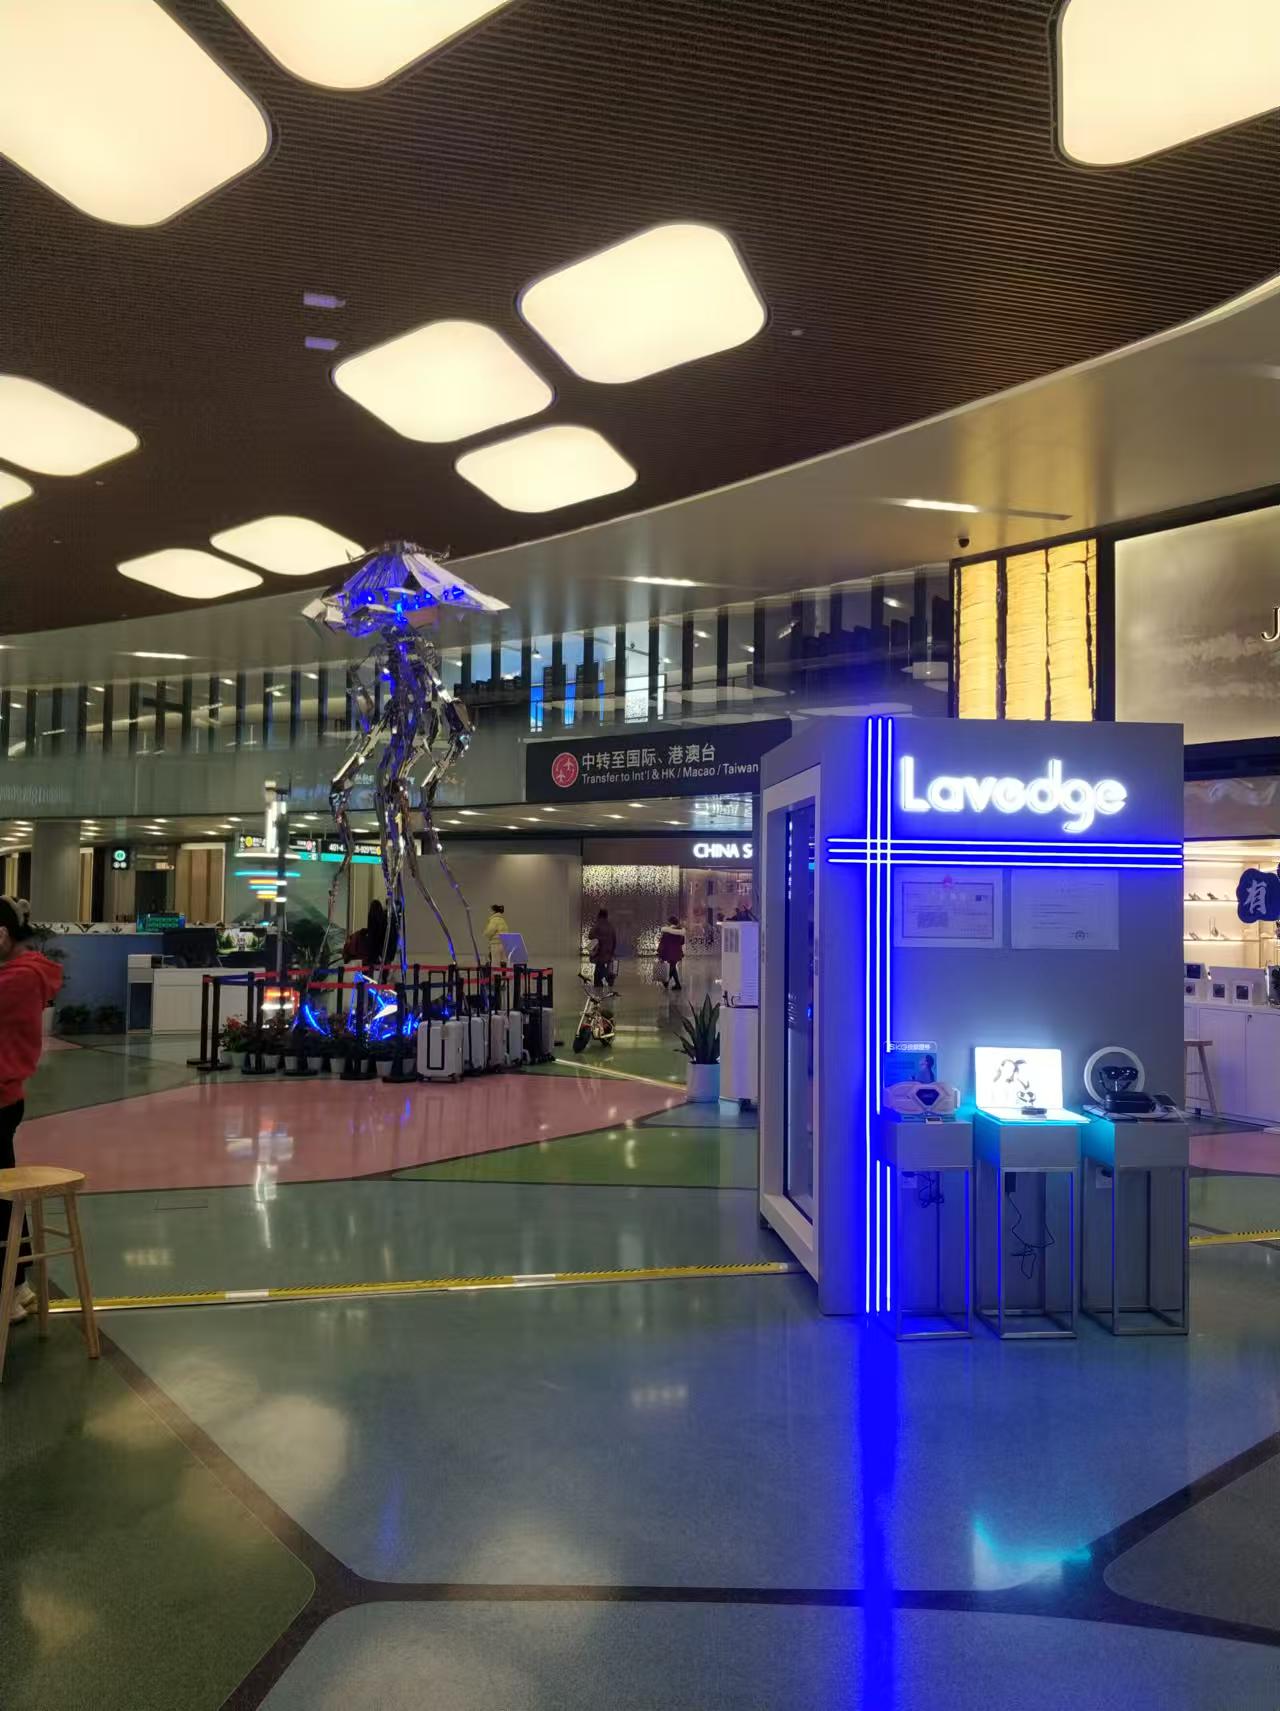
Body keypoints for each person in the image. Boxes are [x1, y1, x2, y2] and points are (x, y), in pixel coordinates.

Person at [0, 897, 63, 1324]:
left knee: (1, 1200)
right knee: (4, 1195)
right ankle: (16, 1283)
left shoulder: (19, 978)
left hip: (2, 1097)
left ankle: (8, 1288)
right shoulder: (20, 971)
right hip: (7, 1096)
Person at [343, 898, 397, 973]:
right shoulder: (388, 919)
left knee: (369, 972)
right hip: (383, 954)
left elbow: (373, 936)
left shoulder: (375, 919)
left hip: (373, 955)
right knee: (383, 973)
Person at [586, 908, 617, 988]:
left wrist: (598, 938)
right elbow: (614, 940)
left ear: (599, 915)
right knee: (599, 969)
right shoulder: (610, 926)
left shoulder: (598, 925)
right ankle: (600, 983)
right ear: (606, 916)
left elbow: (590, 935)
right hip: (608, 951)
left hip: (600, 951)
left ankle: (607, 977)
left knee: (599, 968)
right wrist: (612, 951)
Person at [657, 915, 685, 991]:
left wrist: (659, 953)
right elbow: (682, 942)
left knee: (672, 967)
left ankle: (666, 981)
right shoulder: (680, 932)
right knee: (673, 967)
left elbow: (663, 943)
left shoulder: (666, 932)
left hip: (669, 952)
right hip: (677, 952)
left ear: (669, 923)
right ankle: (677, 985)